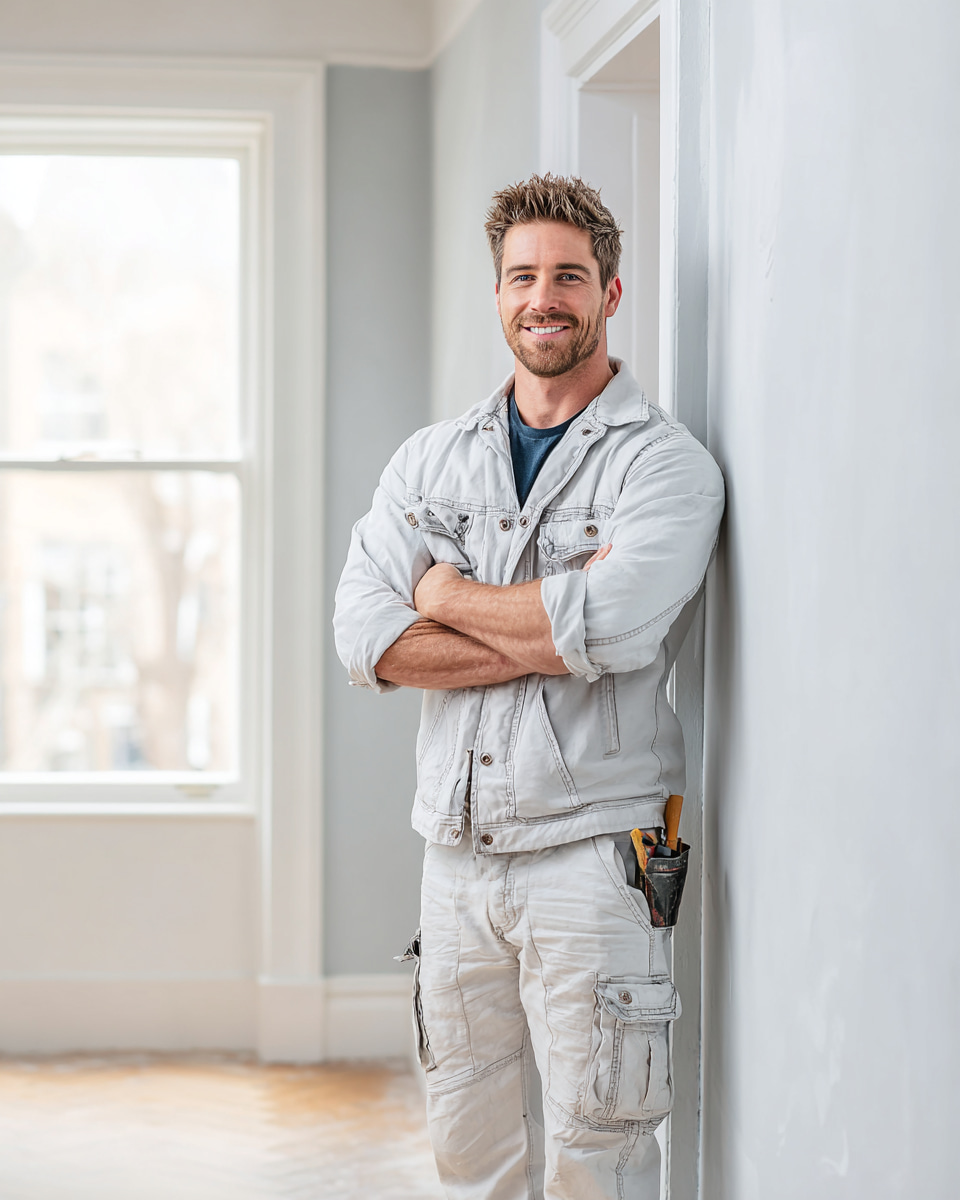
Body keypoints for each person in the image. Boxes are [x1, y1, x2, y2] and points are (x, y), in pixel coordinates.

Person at [334, 174, 724, 1200]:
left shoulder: (665, 467)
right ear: (498, 293)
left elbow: (625, 623)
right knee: (468, 1152)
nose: (542, 297)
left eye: (567, 275)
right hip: (456, 859)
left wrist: (441, 590)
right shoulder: (431, 460)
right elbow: (366, 640)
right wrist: (556, 629)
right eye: (522, 277)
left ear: (610, 291)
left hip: (600, 853)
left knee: (600, 1145)